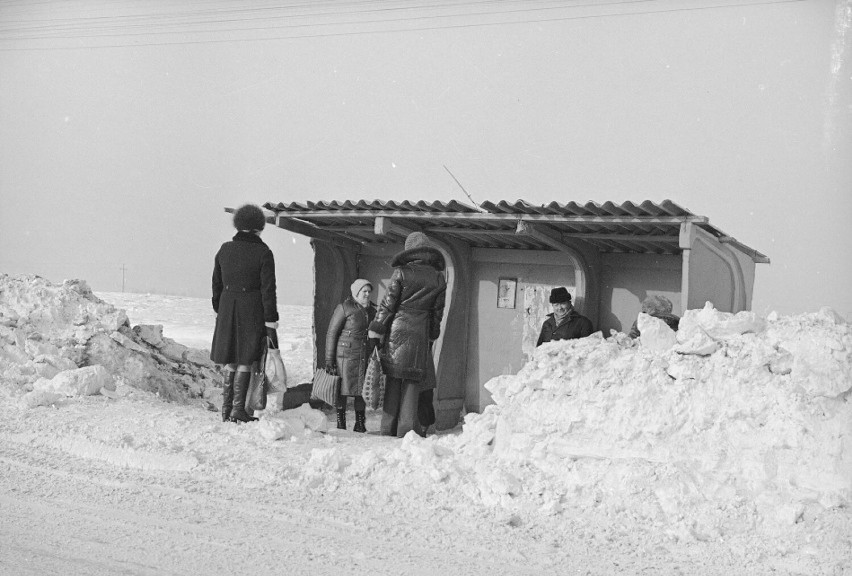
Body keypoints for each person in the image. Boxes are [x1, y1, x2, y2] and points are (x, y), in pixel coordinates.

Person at [368, 232, 446, 438]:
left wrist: (376, 329)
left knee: (393, 380)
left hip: (397, 331)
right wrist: (432, 335)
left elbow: (387, 305)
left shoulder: (402, 272)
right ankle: (407, 431)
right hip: (420, 334)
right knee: (412, 383)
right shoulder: (438, 278)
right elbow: (438, 313)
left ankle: (388, 428)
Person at [210, 204, 279, 423]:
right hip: (252, 308)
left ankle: (226, 408)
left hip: (227, 306)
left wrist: (219, 308)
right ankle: (238, 410)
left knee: (230, 358)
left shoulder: (224, 249)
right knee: (245, 359)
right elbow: (268, 290)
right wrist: (271, 319)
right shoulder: (263, 252)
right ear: (260, 227)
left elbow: (216, 283)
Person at [324, 279, 376, 433]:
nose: (367, 294)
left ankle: (360, 423)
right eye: (364, 291)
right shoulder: (344, 308)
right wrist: (329, 359)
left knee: (362, 389)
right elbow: (332, 333)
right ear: (356, 293)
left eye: (369, 291)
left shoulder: (372, 310)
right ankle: (341, 422)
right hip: (345, 356)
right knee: (342, 389)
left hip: (364, 355)